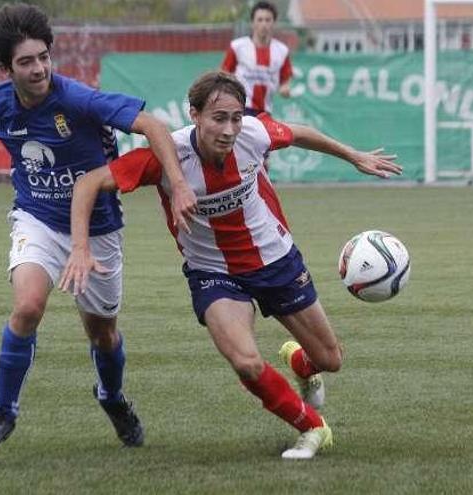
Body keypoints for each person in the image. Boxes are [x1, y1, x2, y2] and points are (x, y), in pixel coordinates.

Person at [0, 3, 197, 453]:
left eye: (44, 56)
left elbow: (152, 125)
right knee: (27, 307)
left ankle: (112, 397)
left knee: (102, 333)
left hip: (99, 226)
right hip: (37, 219)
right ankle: (4, 411)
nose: (40, 67)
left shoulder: (78, 99)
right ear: (7, 68)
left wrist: (178, 185)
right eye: (27, 61)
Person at [58, 71, 401, 459]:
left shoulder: (253, 134)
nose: (229, 128)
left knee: (330, 359)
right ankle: (312, 428)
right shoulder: (167, 157)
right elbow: (87, 184)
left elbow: (299, 132)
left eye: (235, 118)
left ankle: (302, 364)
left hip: (275, 259)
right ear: (195, 115)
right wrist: (81, 247)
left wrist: (353, 155)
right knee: (246, 362)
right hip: (214, 275)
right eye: (218, 118)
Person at [221, 1, 292, 116]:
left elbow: (285, 80)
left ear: (274, 23)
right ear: (252, 23)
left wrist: (285, 88)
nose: (264, 24)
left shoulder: (282, 51)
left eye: (268, 20)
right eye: (260, 20)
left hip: (265, 112)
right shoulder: (237, 46)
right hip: (240, 109)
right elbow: (224, 75)